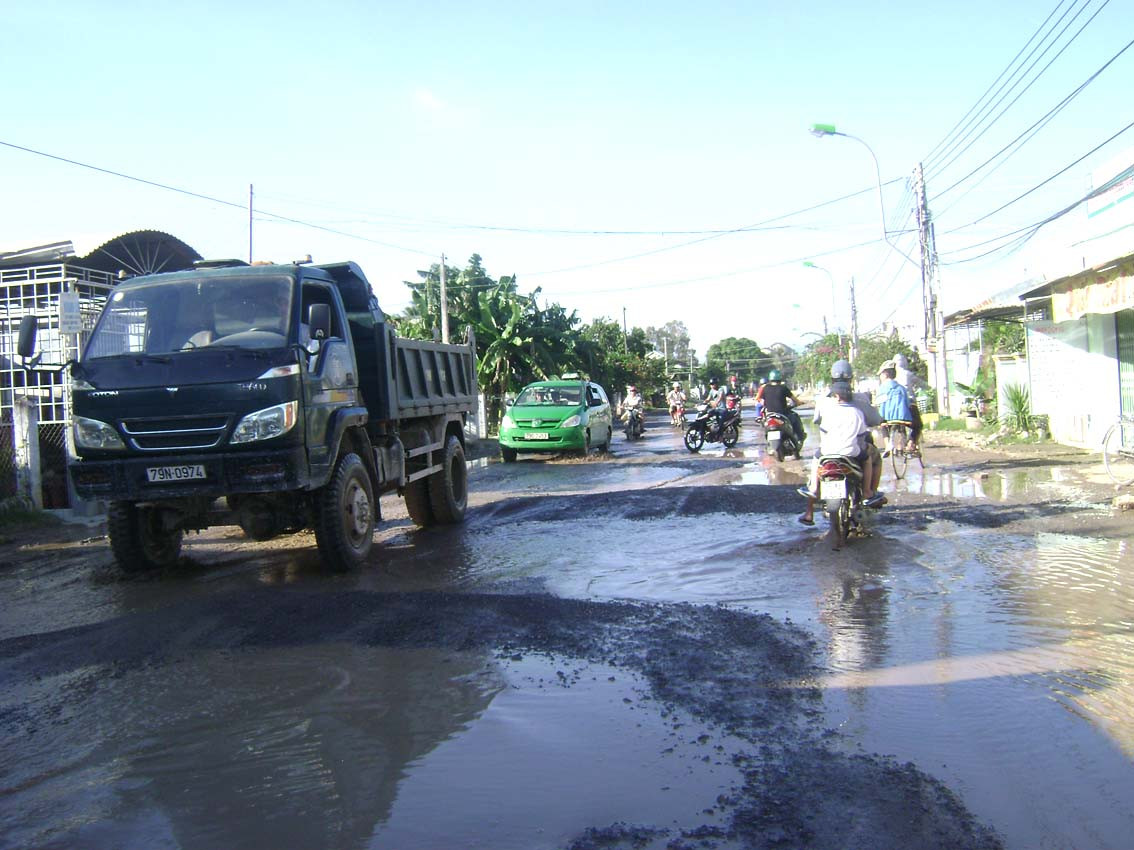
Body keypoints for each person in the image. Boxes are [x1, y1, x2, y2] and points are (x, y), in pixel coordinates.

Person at [798, 360, 885, 525]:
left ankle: (809, 510)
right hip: (854, 447)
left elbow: (817, 421)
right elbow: (872, 421)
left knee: (817, 465)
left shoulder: (824, 401)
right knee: (874, 457)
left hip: (828, 448)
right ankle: (869, 493)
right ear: (851, 380)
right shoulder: (859, 401)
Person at [756, 369, 804, 448]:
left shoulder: (765, 388)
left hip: (769, 415)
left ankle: (769, 445)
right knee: (795, 418)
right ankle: (799, 438)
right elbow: (795, 400)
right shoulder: (783, 388)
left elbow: (758, 398)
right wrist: (799, 403)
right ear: (780, 378)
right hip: (782, 414)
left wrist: (764, 404)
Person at [877, 363, 913, 455]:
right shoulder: (901, 388)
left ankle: (887, 445)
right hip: (902, 415)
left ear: (885, 374)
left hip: (887, 416)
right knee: (902, 428)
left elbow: (879, 402)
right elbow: (907, 402)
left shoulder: (882, 388)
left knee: (883, 426)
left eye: (880, 374)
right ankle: (901, 446)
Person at [891, 353, 925, 450]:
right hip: (909, 403)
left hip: (894, 407)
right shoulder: (908, 374)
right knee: (918, 425)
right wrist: (928, 387)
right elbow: (921, 383)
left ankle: (900, 440)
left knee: (900, 422)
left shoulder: (892, 376)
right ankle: (911, 442)